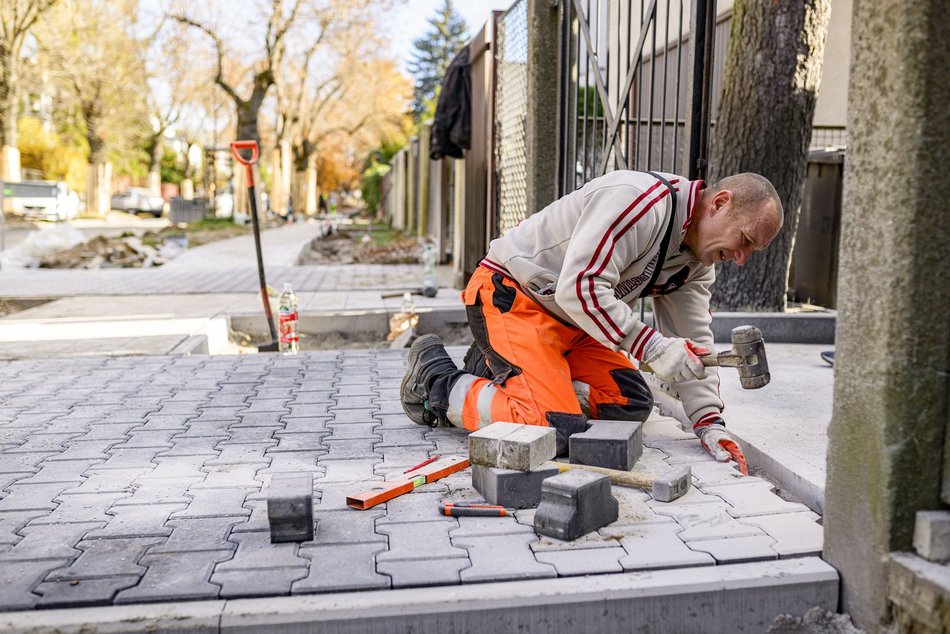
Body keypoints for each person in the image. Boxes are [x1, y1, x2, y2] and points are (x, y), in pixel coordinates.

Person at [400, 170, 783, 474]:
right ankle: (436, 380)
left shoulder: (695, 263)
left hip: (575, 325)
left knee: (630, 402)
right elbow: (578, 286)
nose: (742, 257)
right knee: (550, 428)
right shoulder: (640, 202)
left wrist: (709, 423)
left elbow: (692, 337)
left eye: (753, 250)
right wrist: (650, 346)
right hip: (512, 297)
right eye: (746, 240)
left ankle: (500, 369)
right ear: (719, 202)